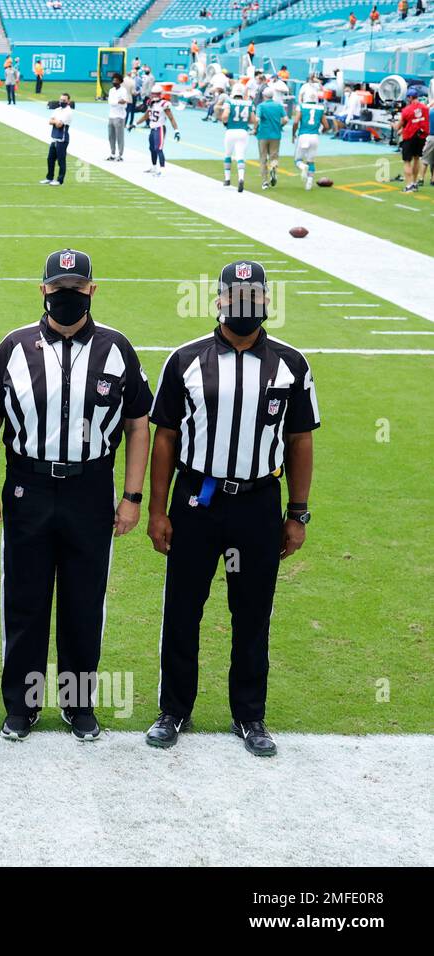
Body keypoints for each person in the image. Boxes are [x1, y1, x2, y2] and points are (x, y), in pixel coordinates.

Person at [146, 260, 319, 757]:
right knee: (183, 608)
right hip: (198, 498)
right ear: (218, 301)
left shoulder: (291, 363)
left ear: (266, 302)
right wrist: (158, 511)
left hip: (259, 502)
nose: (244, 305)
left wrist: (297, 511)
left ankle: (250, 715)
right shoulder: (185, 360)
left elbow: (299, 440)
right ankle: (174, 709)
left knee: (252, 611)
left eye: (253, 296)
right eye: (234, 296)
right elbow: (166, 439)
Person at [0, 249, 152, 742]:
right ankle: (22, 705)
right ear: (43, 291)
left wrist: (132, 495)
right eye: (59, 289)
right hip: (27, 484)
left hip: (91, 487)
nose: (68, 297)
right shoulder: (14, 346)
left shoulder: (117, 348)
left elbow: (138, 424)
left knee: (83, 600)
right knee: (26, 598)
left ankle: (79, 706)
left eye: (77, 289)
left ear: (92, 290)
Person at [139, 83, 179, 177]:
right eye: (153, 93)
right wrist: (135, 124)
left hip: (160, 128)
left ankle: (162, 170)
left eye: (157, 94)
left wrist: (176, 130)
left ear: (160, 94)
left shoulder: (164, 104)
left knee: (158, 149)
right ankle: (154, 167)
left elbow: (171, 118)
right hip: (152, 129)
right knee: (152, 148)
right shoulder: (150, 103)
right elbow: (146, 116)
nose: (155, 95)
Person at [220, 84, 254, 192]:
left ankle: (227, 179)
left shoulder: (229, 102)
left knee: (228, 155)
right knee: (240, 157)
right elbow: (253, 120)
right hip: (243, 132)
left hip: (231, 131)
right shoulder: (249, 103)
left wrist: (225, 122)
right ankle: (241, 178)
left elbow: (225, 116)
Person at [394, 91, 428, 193]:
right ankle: (414, 183)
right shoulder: (425, 108)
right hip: (421, 137)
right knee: (417, 159)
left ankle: (409, 185)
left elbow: (397, 126)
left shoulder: (406, 110)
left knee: (407, 162)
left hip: (409, 138)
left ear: (409, 97)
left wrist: (393, 125)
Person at [254, 86, 287, 189]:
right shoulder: (278, 106)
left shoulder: (261, 106)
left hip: (263, 134)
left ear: (264, 95)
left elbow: (257, 119)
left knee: (263, 158)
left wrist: (255, 129)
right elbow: (285, 119)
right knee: (274, 157)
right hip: (276, 135)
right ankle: (273, 171)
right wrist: (279, 126)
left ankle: (264, 181)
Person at [40, 92, 73, 186]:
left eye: (64, 100)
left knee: (61, 160)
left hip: (62, 139)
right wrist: (56, 121)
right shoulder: (58, 110)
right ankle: (49, 178)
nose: (62, 101)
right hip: (54, 138)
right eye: (61, 99)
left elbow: (59, 125)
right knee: (50, 159)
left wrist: (56, 121)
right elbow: (50, 121)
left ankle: (60, 180)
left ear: (68, 101)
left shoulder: (68, 112)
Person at [106, 72, 128, 161]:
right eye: (113, 80)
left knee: (120, 136)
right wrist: (118, 101)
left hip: (119, 116)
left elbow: (124, 103)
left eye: (116, 80)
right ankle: (112, 153)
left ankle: (120, 155)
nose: (114, 81)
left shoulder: (123, 91)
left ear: (120, 81)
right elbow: (110, 102)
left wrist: (117, 102)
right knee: (111, 136)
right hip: (111, 115)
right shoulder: (111, 90)